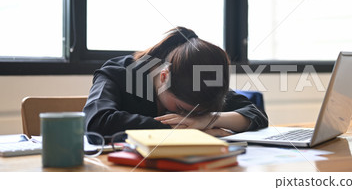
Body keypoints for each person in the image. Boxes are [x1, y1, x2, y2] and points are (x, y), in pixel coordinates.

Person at [83, 27, 268, 137]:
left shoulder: (201, 80)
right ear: (164, 77)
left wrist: (208, 119)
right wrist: (184, 130)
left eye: (195, 113)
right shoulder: (119, 73)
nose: (188, 116)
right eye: (181, 109)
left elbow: (256, 114)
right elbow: (96, 122)